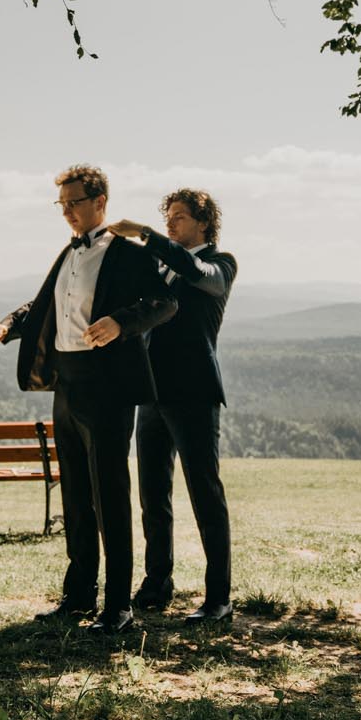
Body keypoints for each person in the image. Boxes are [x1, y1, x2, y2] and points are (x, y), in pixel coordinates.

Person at [0, 164, 176, 634]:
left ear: (100, 202)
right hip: (66, 383)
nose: (67, 211)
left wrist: (121, 322)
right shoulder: (68, 253)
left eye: (74, 202)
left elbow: (165, 302)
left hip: (108, 384)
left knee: (109, 495)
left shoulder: (127, 254)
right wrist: (8, 325)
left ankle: (119, 607)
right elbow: (45, 306)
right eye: (62, 203)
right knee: (74, 495)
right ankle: (78, 597)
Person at [108, 188, 237, 623]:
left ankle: (218, 598)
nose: (171, 223)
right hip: (151, 393)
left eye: (180, 217)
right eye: (168, 217)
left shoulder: (220, 264)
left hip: (194, 394)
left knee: (205, 493)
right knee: (153, 495)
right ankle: (157, 583)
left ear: (204, 223)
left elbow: (196, 272)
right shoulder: (160, 264)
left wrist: (147, 234)